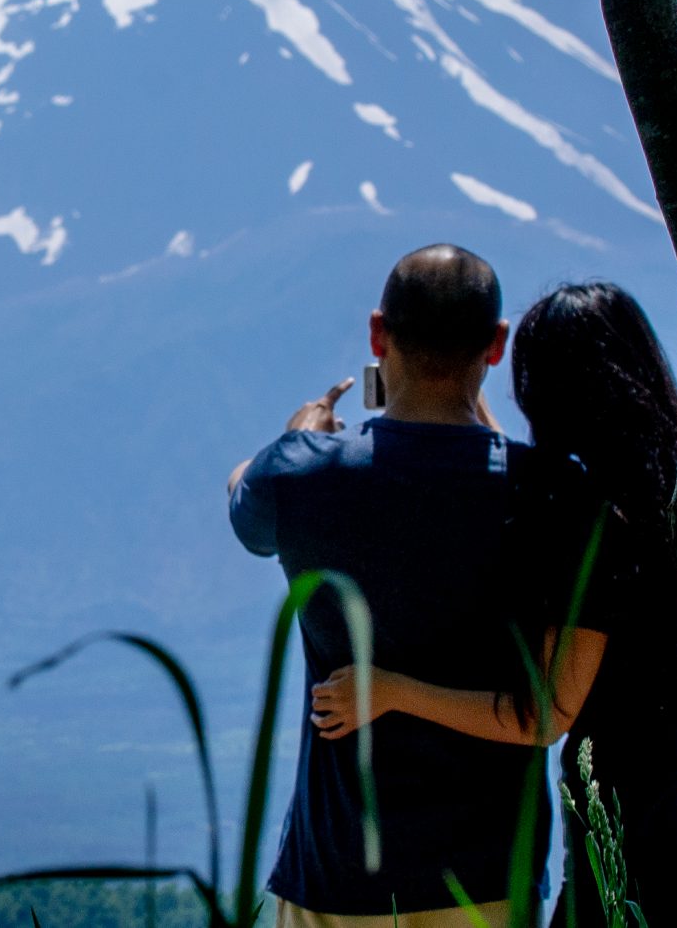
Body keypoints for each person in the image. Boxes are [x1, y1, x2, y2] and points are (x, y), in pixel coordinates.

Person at [307, 282, 677, 928]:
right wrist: (451, 398)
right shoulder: (673, 495)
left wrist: (390, 690)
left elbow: (544, 712)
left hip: (642, 840)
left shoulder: (594, 525)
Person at [229, 245, 606, 928]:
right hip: (486, 876)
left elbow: (244, 496)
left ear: (379, 336)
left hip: (336, 871)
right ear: (496, 345)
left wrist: (297, 439)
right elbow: (545, 710)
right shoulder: (553, 495)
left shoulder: (299, 476)